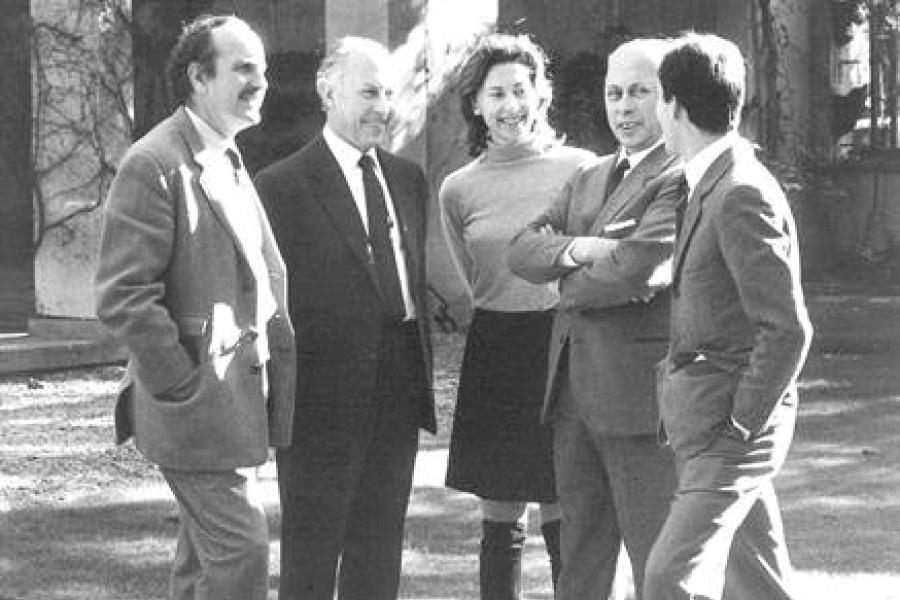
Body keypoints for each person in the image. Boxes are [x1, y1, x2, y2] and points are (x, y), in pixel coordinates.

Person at [95, 15, 296, 600]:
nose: (260, 81)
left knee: (202, 564)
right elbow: (124, 295)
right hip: (198, 406)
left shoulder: (224, 152)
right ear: (198, 77)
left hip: (236, 404)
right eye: (243, 68)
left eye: (263, 68)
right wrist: (181, 384)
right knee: (242, 552)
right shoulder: (153, 162)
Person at [253, 36, 435, 600]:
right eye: (368, 92)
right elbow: (270, 304)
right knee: (311, 551)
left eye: (389, 92)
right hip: (319, 398)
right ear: (328, 93)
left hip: (398, 388)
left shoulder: (407, 179)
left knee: (379, 550)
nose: (382, 105)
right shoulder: (282, 185)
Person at [508, 38, 681, 600]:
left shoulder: (679, 175)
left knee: (657, 559)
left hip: (637, 400)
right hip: (571, 395)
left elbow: (637, 269)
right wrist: (583, 250)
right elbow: (520, 250)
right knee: (579, 557)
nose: (624, 107)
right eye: (613, 93)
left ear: (668, 98)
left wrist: (563, 272)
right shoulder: (588, 175)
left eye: (638, 92)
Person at [642, 33, 813, 600]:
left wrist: (741, 425)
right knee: (760, 583)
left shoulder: (739, 191)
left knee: (668, 578)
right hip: (710, 419)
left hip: (732, 429)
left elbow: (787, 329)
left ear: (673, 107)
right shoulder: (709, 180)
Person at [439, 33, 594, 600]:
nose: (510, 105)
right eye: (495, 92)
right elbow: (475, 275)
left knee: (565, 504)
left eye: (521, 89)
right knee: (499, 512)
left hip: (564, 347)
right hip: (497, 350)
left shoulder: (582, 170)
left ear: (542, 93)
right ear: (476, 104)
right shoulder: (458, 188)